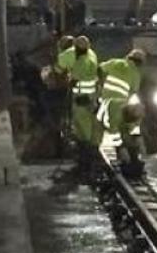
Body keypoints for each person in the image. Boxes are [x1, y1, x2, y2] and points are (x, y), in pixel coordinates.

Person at [97, 48, 147, 177]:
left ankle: (128, 157)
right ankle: (129, 157)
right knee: (123, 130)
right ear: (140, 63)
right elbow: (133, 92)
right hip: (116, 105)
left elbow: (99, 69)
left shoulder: (115, 62)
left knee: (120, 129)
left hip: (107, 101)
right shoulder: (136, 74)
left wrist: (101, 84)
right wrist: (122, 149)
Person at [56, 35, 100, 175]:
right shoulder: (91, 54)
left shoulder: (71, 55)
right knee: (90, 125)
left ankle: (85, 162)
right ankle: (90, 157)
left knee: (81, 128)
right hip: (92, 97)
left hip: (81, 98)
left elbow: (58, 70)